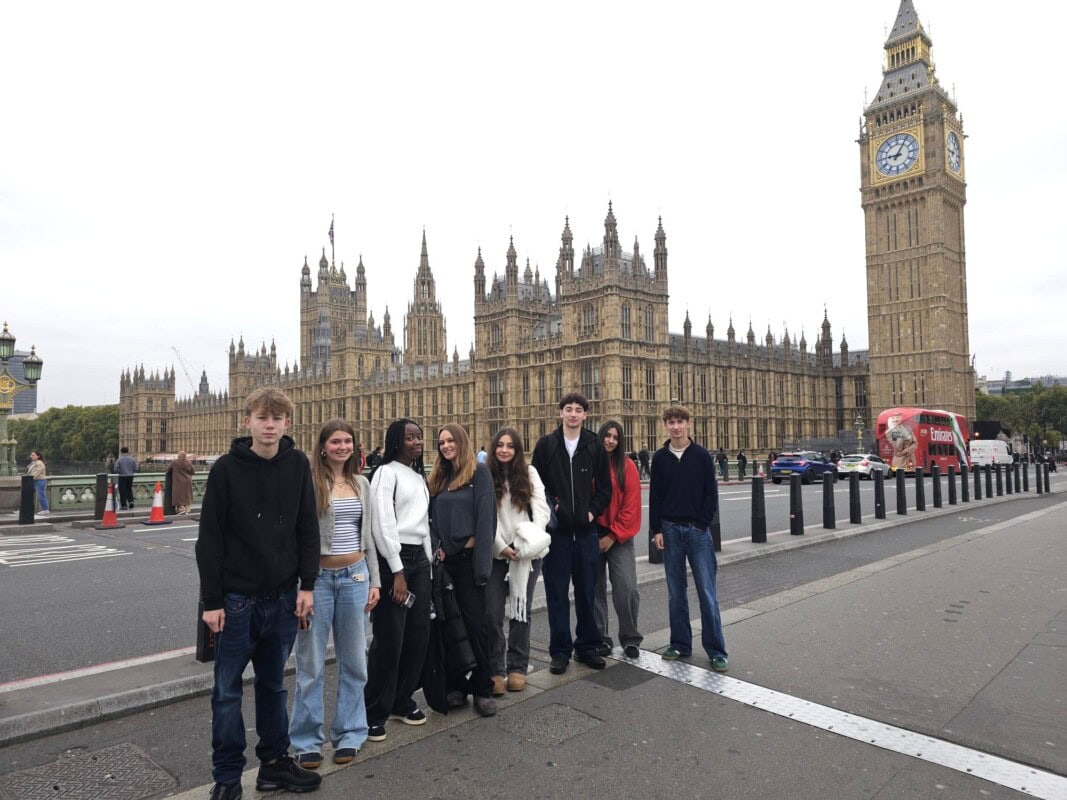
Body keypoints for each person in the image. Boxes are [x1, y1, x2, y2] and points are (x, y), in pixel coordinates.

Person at [195, 387, 321, 798]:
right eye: (262, 417)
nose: (270, 425)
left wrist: (307, 585)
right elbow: (209, 538)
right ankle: (228, 778)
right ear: (246, 420)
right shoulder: (225, 469)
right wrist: (211, 601)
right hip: (236, 602)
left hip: (284, 597)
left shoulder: (298, 464)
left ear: (288, 422)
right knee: (226, 692)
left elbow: (307, 527)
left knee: (274, 685)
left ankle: (273, 764)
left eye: (277, 418)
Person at [290, 419, 381, 770]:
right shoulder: (310, 483)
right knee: (310, 663)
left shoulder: (361, 482)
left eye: (347, 441)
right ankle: (307, 740)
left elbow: (368, 534)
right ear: (323, 446)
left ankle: (350, 733)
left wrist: (374, 579)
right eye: (335, 442)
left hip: (356, 575)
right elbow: (299, 536)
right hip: (319, 580)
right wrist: (304, 585)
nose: (342, 447)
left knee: (355, 660)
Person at [530, 392, 611, 675]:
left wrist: (591, 512)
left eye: (578, 410)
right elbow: (536, 486)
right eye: (569, 409)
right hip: (558, 535)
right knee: (556, 595)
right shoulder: (546, 445)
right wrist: (553, 507)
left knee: (587, 593)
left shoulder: (594, 446)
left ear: (586, 415)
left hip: (587, 533)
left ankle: (587, 646)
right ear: (560, 413)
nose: (573, 414)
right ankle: (560, 651)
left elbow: (605, 489)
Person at [364, 419, 432, 743]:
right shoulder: (385, 473)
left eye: (419, 436)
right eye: (410, 437)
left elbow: (423, 524)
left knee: (417, 636)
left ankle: (401, 700)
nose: (417, 441)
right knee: (390, 639)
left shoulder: (418, 477)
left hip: (419, 559)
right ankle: (374, 711)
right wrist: (396, 571)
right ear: (396, 441)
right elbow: (382, 523)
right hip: (398, 560)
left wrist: (429, 563)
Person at [649, 405, 728, 673]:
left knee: (707, 592)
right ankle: (680, 643)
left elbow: (711, 495)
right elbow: (655, 496)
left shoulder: (702, 456)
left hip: (697, 532)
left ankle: (717, 650)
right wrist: (656, 530)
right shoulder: (659, 458)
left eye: (680, 421)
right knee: (675, 593)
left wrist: (701, 524)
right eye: (671, 422)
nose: (676, 426)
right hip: (670, 529)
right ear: (666, 425)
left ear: (688, 424)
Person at [428, 423, 497, 716]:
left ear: (462, 441)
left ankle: (483, 687)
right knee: (449, 626)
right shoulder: (439, 477)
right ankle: (456, 686)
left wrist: (483, 567)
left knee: (476, 625)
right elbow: (428, 519)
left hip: (469, 563)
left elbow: (486, 519)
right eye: (441, 442)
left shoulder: (478, 473)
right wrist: (436, 548)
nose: (446, 446)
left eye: (450, 440)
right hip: (445, 564)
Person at [485, 427, 551, 695]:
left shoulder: (530, 473)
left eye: (510, 446)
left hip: (527, 552)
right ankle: (495, 669)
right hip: (498, 551)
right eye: (500, 445)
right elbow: (485, 517)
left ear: (517, 449)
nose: (504, 450)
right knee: (492, 613)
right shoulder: (485, 474)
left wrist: (528, 543)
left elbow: (542, 511)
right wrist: (501, 546)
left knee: (520, 612)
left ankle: (517, 667)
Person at [593, 421, 642, 659]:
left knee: (626, 587)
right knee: (594, 590)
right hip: (593, 534)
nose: (610, 440)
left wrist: (613, 535)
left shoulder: (627, 466)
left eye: (615, 437)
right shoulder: (590, 464)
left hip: (619, 536)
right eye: (607, 435)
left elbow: (631, 507)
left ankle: (630, 637)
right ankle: (600, 637)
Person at [27, 451, 49, 515]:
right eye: (31, 455)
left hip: (40, 481)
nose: (31, 456)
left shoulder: (39, 463)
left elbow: (37, 472)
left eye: (33, 455)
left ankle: (45, 509)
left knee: (41, 495)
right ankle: (27, 509)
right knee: (29, 495)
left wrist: (30, 478)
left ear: (38, 456)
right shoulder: (33, 463)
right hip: (34, 481)